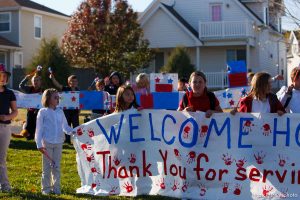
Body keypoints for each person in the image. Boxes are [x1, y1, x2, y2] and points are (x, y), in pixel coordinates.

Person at [35, 88, 73, 195]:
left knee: (56, 167)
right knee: (47, 167)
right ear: (48, 98)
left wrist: (74, 131)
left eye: (58, 97)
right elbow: (39, 129)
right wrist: (39, 144)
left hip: (58, 143)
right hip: (46, 143)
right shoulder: (43, 112)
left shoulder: (60, 111)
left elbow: (65, 127)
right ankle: (46, 189)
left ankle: (56, 188)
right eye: (55, 97)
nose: (57, 99)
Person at [0, 64, 18, 192]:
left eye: (5, 76)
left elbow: (15, 111)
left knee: (1, 158)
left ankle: (5, 185)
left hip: (5, 128)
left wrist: (7, 117)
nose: (3, 78)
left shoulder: (9, 93)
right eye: (1, 75)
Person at [50, 74, 79, 144]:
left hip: (75, 111)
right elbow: (58, 85)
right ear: (69, 82)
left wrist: (79, 109)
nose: (74, 83)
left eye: (75, 81)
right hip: (66, 111)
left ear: (77, 82)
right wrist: (53, 79)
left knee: (76, 126)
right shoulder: (65, 89)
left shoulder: (78, 90)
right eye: (72, 81)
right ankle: (67, 140)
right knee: (67, 125)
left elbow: (80, 101)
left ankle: (77, 140)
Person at [12, 73, 43, 139]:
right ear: (32, 82)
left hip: (39, 112)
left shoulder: (43, 91)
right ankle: (28, 136)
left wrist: (42, 94)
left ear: (40, 82)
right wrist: (26, 79)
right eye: (34, 80)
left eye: (37, 80)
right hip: (30, 111)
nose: (36, 82)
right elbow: (21, 86)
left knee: (37, 125)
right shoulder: (30, 89)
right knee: (29, 125)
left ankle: (36, 137)